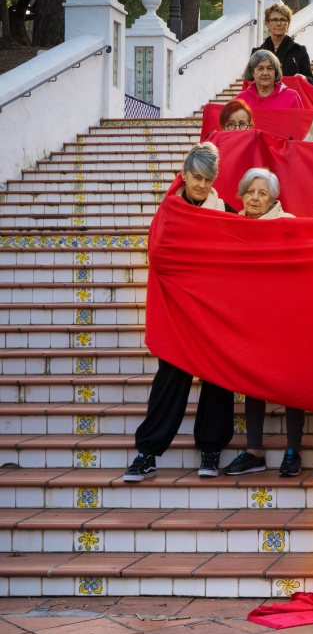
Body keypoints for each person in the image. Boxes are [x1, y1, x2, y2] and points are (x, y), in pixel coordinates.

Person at [122, 143, 236, 483]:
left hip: (214, 308)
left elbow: (236, 258)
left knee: (218, 376)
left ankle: (211, 449)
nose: (201, 185)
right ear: (184, 175)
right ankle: (148, 452)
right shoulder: (170, 209)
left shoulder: (225, 209)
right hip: (177, 309)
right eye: (196, 177)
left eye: (208, 179)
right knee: (171, 377)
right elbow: (159, 256)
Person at [221, 168, 304, 478]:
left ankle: (292, 449)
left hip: (284, 316)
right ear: (242, 195)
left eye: (262, 193)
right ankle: (254, 451)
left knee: (292, 383)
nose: (255, 197)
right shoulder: (232, 225)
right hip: (247, 317)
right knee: (252, 380)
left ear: (273, 200)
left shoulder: (288, 225)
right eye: (250, 192)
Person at [255, 2, 313, 85]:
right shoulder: (257, 53)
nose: (278, 24)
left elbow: (312, 83)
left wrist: (305, 79)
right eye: (274, 20)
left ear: (288, 24)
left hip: (291, 97)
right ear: (267, 24)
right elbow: (251, 80)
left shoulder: (299, 51)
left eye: (283, 20)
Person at [236, 50, 304, 110]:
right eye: (260, 68)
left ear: (276, 72)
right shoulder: (241, 99)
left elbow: (300, 123)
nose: (265, 73)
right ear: (252, 72)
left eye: (270, 68)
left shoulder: (291, 97)